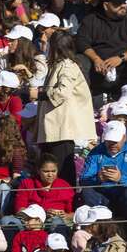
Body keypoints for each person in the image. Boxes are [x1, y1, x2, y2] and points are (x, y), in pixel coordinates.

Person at [36, 31, 95, 185]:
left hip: (62, 128)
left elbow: (62, 92)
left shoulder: (68, 66)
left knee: (62, 171)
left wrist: (42, 94)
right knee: (52, 168)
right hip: (54, 127)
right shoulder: (58, 65)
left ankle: (67, 202)